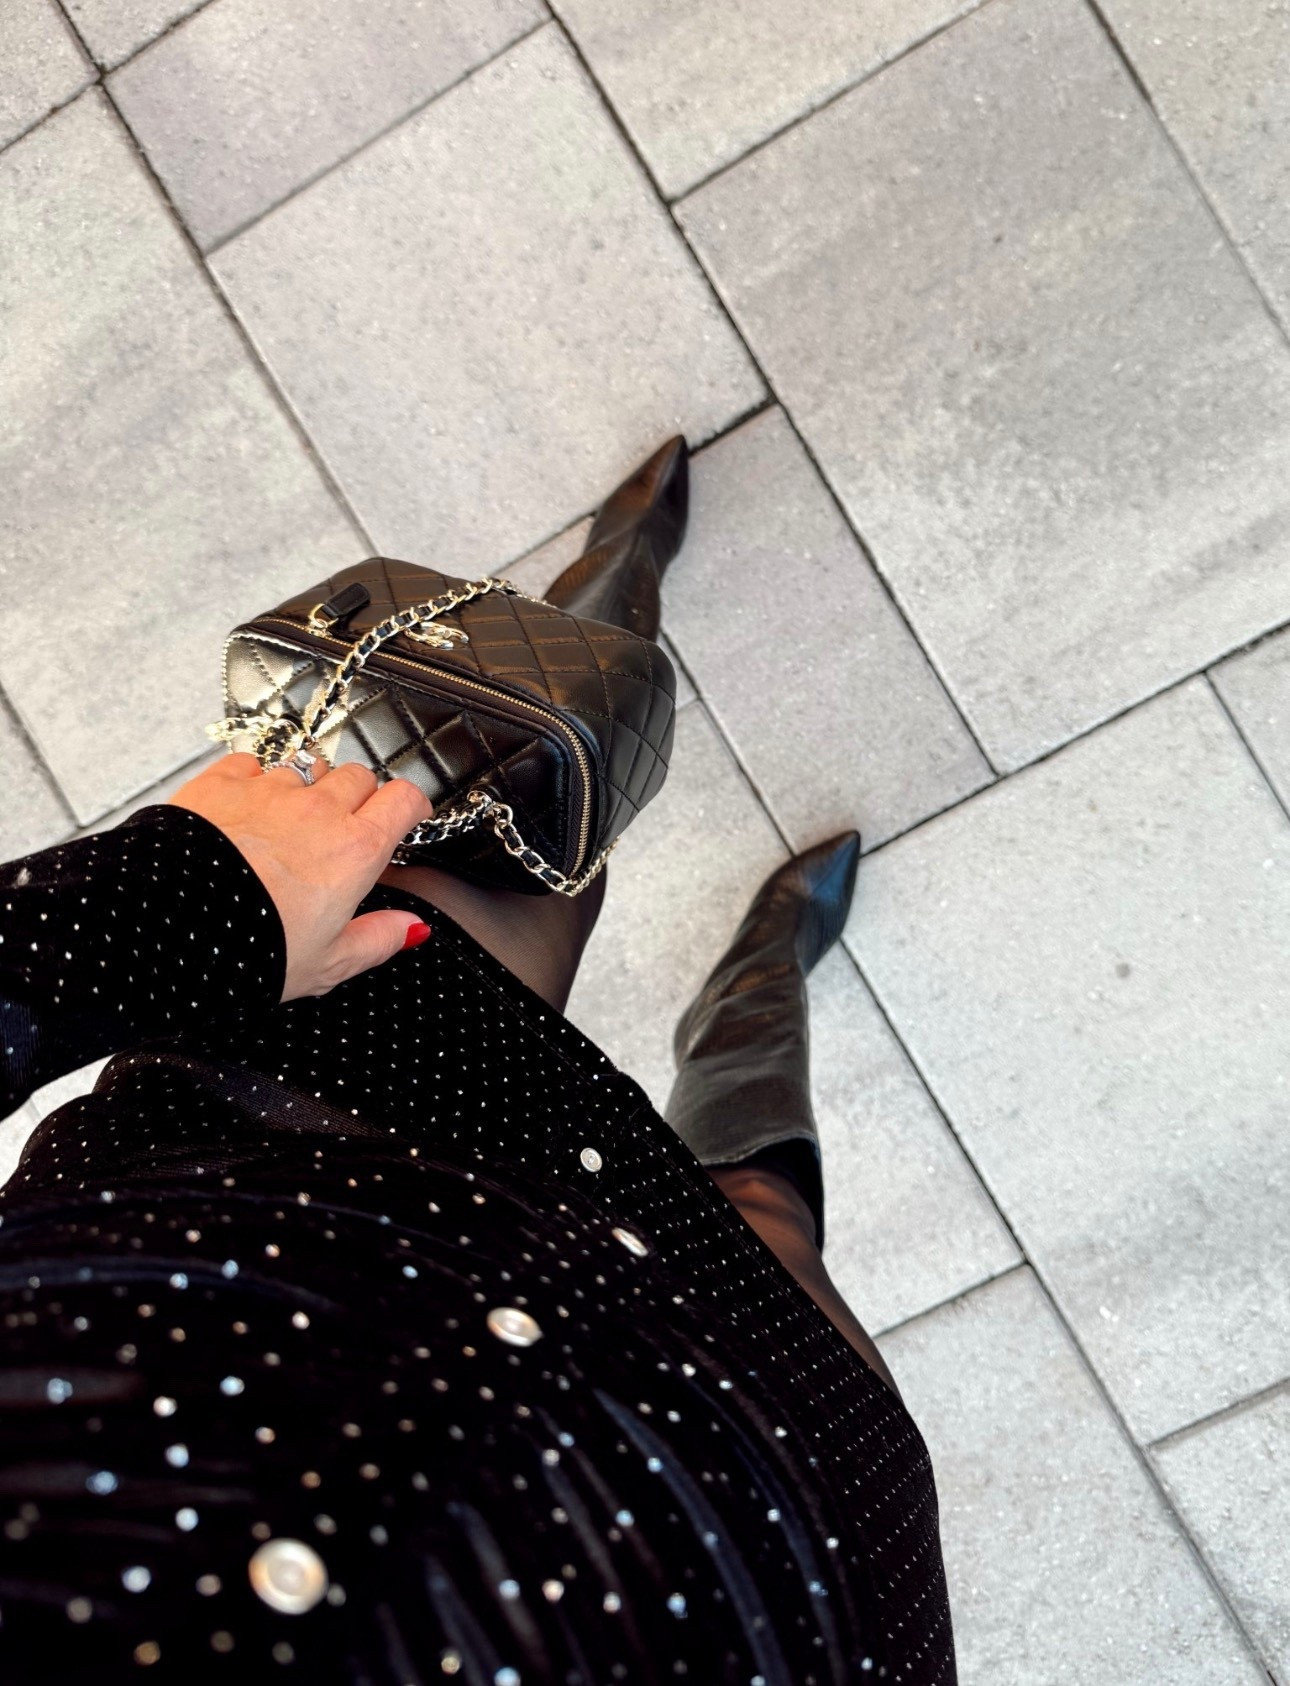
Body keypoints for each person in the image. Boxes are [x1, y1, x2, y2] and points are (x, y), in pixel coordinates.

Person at [0, 441, 955, 1684]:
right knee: (766, 1215)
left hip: (271, 1198)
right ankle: (759, 985)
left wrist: (188, 900)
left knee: (513, 766)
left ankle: (615, 580)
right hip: (751, 1525)